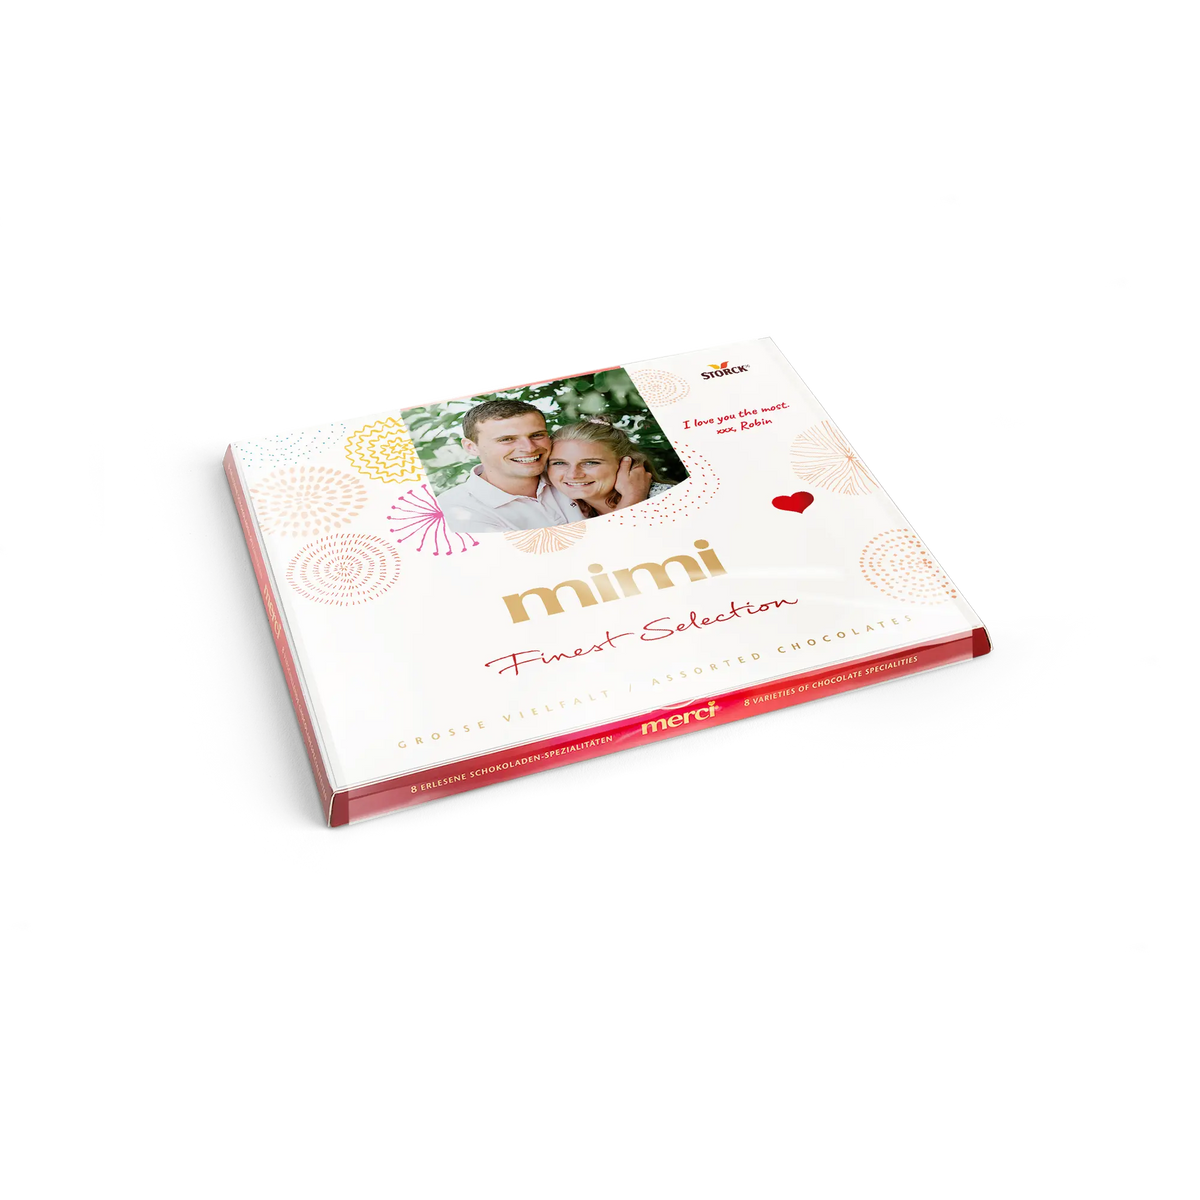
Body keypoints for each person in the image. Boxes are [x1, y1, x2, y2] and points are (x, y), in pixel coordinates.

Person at [438, 399, 652, 534]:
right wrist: (632, 500)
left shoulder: (567, 478)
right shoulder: (457, 511)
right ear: (471, 447)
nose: (529, 448)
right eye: (507, 439)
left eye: (537, 435)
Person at [545, 415, 677, 518]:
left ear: (625, 462)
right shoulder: (567, 511)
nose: (573, 475)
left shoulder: (668, 501)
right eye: (559, 463)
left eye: (590, 462)